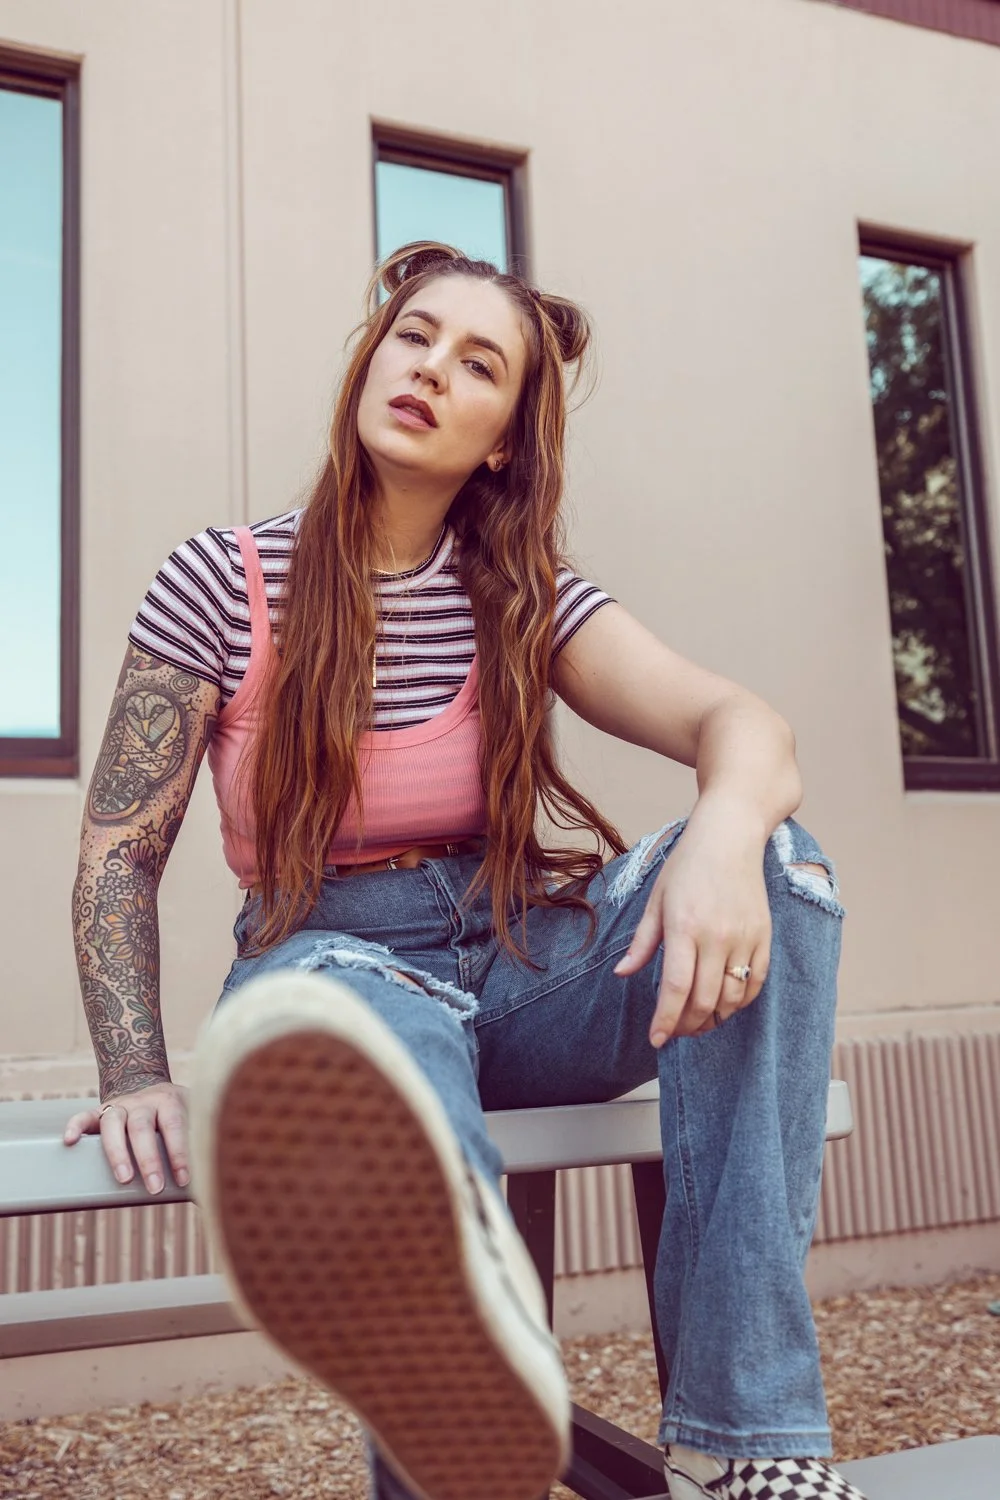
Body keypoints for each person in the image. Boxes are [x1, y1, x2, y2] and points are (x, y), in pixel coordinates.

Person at [65, 241, 863, 1500]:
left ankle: (742, 1439)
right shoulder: (221, 580)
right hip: (324, 960)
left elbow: (745, 728)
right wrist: (133, 1069)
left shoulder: (522, 595)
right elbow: (119, 856)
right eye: (413, 337)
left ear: (503, 439)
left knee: (784, 863)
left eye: (476, 362)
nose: (431, 369)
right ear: (370, 359)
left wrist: (724, 838)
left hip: (512, 960)